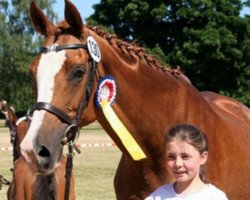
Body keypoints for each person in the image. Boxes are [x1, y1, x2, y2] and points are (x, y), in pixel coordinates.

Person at [145, 124, 228, 200]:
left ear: (203, 157)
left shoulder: (215, 197)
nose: (178, 164)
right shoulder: (158, 196)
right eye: (171, 157)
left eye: (185, 156)